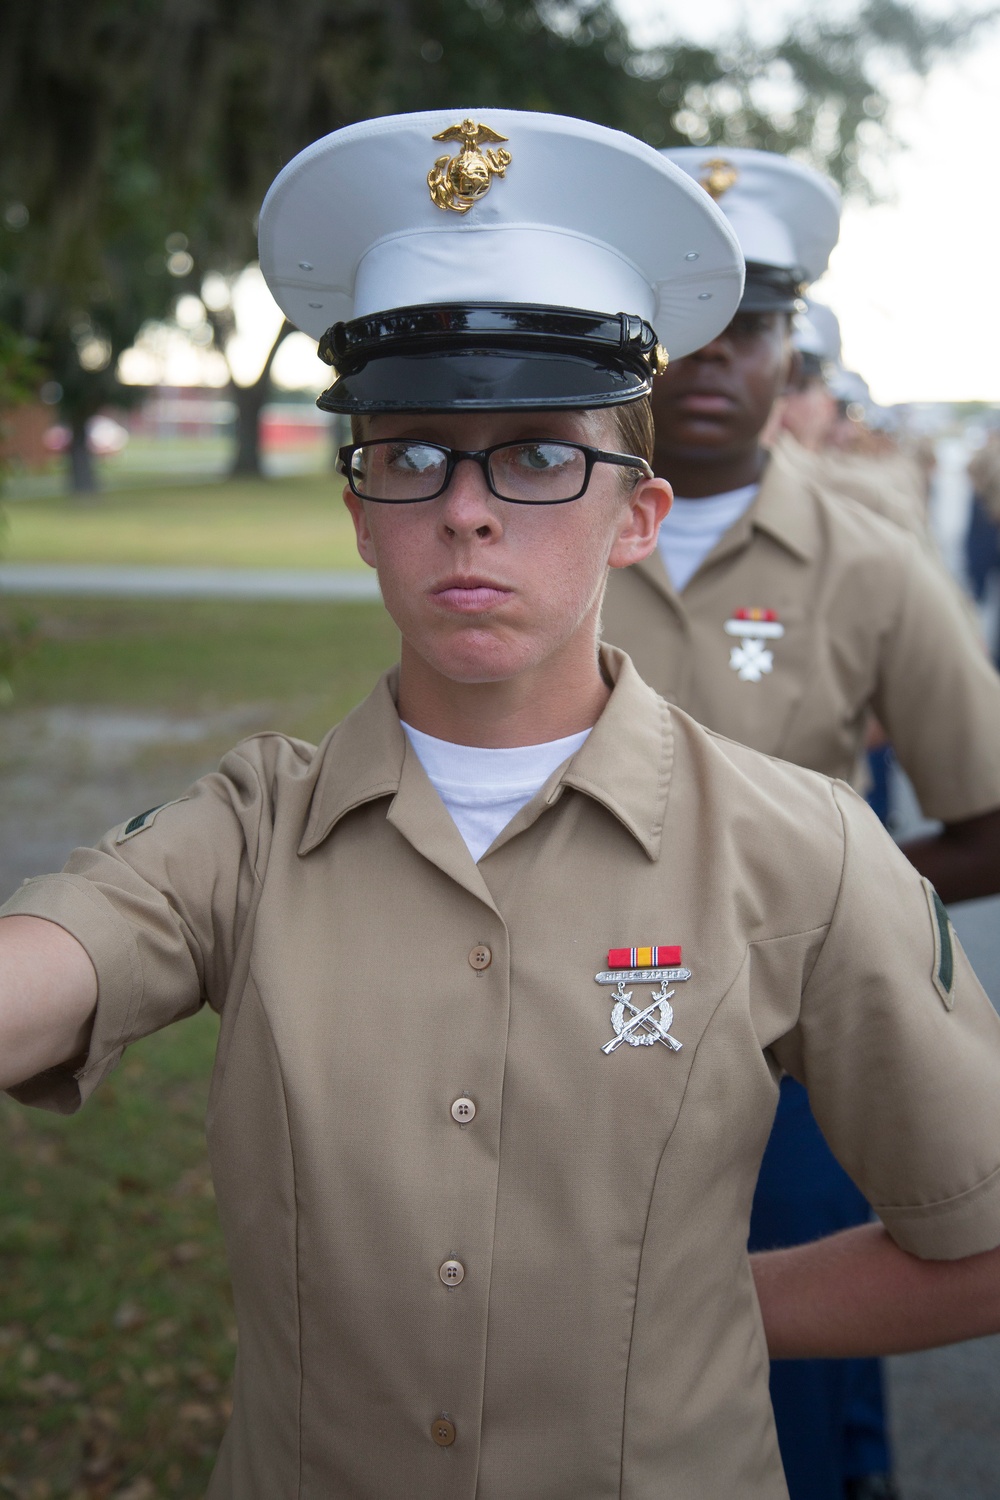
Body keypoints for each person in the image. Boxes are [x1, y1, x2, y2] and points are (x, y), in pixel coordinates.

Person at [3, 111, 1000, 1500]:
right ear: (360, 512)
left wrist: (698, 1317)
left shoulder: (800, 851)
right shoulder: (248, 833)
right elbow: (44, 969)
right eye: (412, 453)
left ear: (634, 518)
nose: (466, 510)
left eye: (537, 454)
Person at [601, 144, 1000, 1500]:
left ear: (793, 343)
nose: (714, 357)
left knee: (795, 1394)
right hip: (554, 1037)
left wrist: (835, 900)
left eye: (753, 323)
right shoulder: (537, 529)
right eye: (684, 325)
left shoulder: (872, 562)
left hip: (782, 1070)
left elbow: (993, 815)